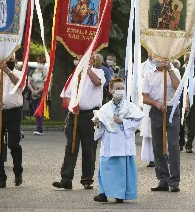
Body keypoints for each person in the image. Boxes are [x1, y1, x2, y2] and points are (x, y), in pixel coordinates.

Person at [52, 58, 105, 190]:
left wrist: (87, 69)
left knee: (89, 148)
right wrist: (72, 105)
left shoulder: (98, 72)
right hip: (74, 115)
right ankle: (66, 179)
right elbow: (67, 94)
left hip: (90, 115)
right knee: (71, 146)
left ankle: (87, 179)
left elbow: (98, 82)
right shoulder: (73, 75)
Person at [93, 78, 144, 203]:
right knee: (106, 167)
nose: (120, 91)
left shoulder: (130, 107)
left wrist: (123, 122)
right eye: (117, 89)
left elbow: (137, 122)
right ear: (110, 90)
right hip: (109, 144)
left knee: (121, 170)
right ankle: (103, 193)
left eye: (122, 88)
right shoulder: (104, 108)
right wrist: (97, 124)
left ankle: (119, 194)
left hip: (123, 143)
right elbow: (100, 128)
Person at [142, 58, 181, 192]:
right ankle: (163, 179)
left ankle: (174, 181)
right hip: (157, 109)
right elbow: (145, 97)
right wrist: (156, 104)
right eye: (155, 57)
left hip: (171, 109)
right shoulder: (148, 74)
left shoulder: (174, 71)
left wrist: (169, 69)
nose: (158, 60)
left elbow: (178, 87)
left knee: (173, 145)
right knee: (158, 145)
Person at [0, 56, 23, 188]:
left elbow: (20, 85)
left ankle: (18, 172)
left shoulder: (18, 73)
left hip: (13, 113)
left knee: (13, 144)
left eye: (10, 59)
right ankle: (0, 178)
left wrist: (7, 70)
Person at [180, 54, 195, 153]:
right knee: (181, 122)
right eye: (188, 61)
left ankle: (189, 144)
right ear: (185, 61)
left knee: (192, 123)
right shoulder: (180, 71)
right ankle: (180, 142)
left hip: (193, 100)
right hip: (180, 100)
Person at [140, 56, 156, 167]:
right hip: (147, 100)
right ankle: (150, 157)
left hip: (159, 99)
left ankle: (162, 154)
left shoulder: (162, 63)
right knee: (148, 131)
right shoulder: (142, 66)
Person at [28, 57, 47, 135]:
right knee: (35, 111)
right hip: (33, 94)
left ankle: (39, 128)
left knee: (39, 110)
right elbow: (28, 82)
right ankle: (38, 126)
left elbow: (46, 84)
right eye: (38, 62)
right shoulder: (32, 72)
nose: (40, 64)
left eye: (41, 62)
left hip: (41, 94)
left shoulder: (45, 72)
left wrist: (38, 91)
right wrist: (33, 91)